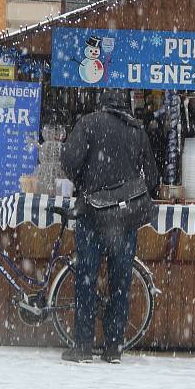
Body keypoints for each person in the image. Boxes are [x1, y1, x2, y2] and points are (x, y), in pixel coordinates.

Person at [60, 89, 158, 364]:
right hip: (124, 219)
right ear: (125, 105)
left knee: (86, 279)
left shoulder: (89, 123)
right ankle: (113, 347)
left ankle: (83, 347)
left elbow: (68, 160)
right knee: (120, 281)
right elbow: (151, 176)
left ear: (101, 103)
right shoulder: (137, 130)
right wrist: (125, 190)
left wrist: (86, 184)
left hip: (92, 214)